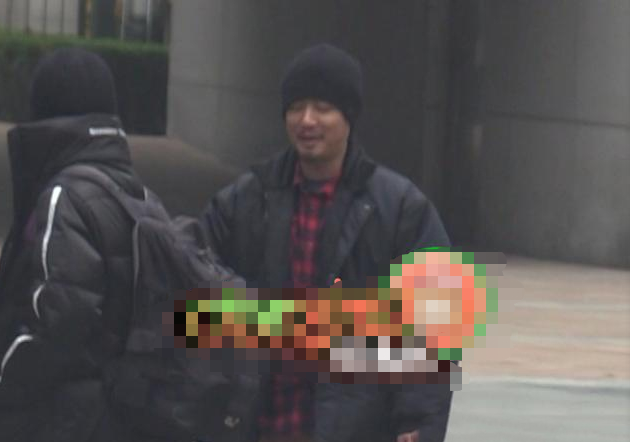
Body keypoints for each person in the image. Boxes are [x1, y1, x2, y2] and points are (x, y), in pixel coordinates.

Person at [200, 43, 454, 442]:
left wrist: (417, 421)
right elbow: (197, 294)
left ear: (349, 117)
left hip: (356, 425)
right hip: (262, 423)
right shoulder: (245, 202)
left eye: (322, 108)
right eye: (296, 107)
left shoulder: (399, 209)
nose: (307, 120)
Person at [0, 47, 149, 442]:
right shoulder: (133, 192)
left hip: (67, 420)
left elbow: (57, 325)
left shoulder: (64, 196)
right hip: (114, 413)